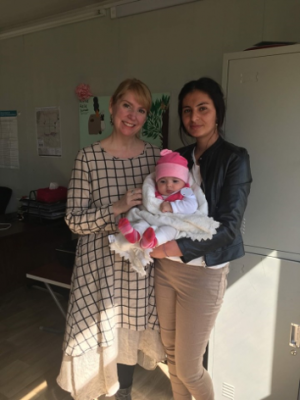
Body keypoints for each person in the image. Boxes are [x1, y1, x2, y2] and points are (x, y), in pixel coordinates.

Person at [57, 78, 166, 400]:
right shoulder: (88, 158)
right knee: (94, 331)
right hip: (97, 265)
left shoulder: (156, 157)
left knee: (128, 331)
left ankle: (124, 393)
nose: (132, 115)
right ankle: (92, 390)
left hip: (137, 267)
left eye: (141, 109)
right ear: (112, 107)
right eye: (127, 106)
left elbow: (167, 210)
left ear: (147, 116)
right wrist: (115, 209)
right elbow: (74, 221)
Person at [151, 77, 252, 400]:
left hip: (203, 275)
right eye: (187, 111)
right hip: (166, 272)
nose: (194, 117)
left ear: (217, 113)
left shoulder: (235, 158)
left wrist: (178, 246)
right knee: (171, 357)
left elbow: (228, 227)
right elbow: (160, 203)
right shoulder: (177, 157)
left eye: (202, 109)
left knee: (190, 367)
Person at [110, 149, 219, 276]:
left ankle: (152, 241)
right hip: (152, 220)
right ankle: (135, 234)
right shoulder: (155, 192)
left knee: (168, 231)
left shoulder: (185, 191)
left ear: (183, 182)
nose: (169, 185)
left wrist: (172, 206)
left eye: (175, 181)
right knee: (142, 221)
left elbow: (191, 206)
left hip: (173, 223)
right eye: (163, 181)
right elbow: (148, 204)